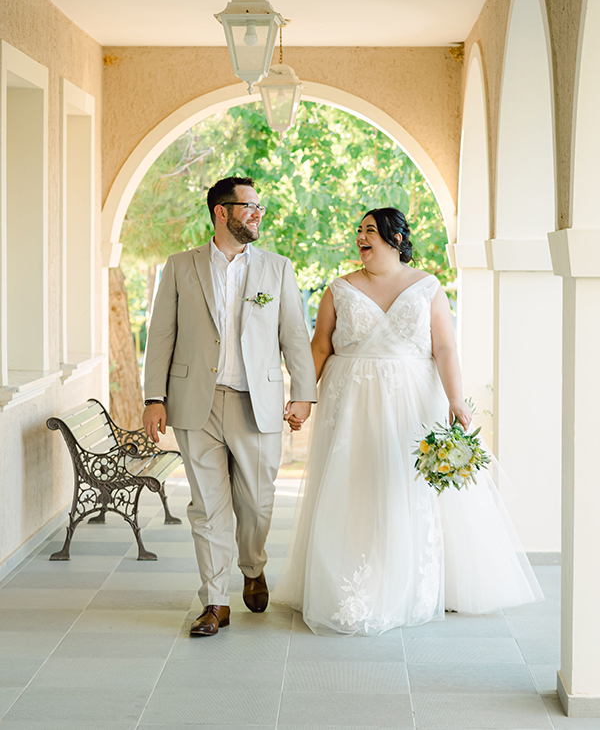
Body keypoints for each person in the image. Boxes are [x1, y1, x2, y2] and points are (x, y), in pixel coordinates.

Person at [273, 207, 543, 636]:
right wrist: (302, 398)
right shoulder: (339, 289)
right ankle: (351, 586)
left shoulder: (428, 287)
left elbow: (446, 348)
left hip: (413, 402)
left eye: (371, 231)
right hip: (350, 404)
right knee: (354, 485)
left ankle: (414, 581)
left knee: (406, 487)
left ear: (396, 239)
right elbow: (319, 347)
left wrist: (457, 400)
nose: (361, 237)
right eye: (359, 231)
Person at [143, 176, 317, 637]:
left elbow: (294, 335)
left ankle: (252, 565)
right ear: (222, 212)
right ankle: (215, 601)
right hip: (194, 403)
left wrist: (303, 391)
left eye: (260, 206)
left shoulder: (277, 269)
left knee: (257, 503)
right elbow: (160, 334)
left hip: (256, 404)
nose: (258, 213)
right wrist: (153, 397)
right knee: (208, 507)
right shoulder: (180, 266)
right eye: (250, 206)